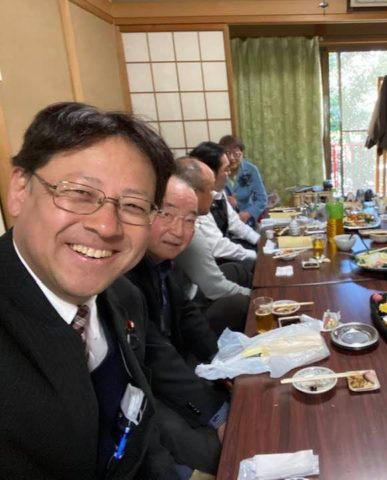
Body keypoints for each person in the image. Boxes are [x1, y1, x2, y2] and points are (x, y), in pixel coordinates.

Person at [0, 102, 179, 478]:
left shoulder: (125, 297)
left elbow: (138, 431)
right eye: (80, 193)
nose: (106, 226)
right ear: (19, 188)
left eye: (133, 205)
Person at [127, 176, 229, 476]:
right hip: (139, 387)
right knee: (217, 449)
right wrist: (217, 415)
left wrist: (224, 362)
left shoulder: (162, 262)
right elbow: (156, 358)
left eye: (189, 220)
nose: (179, 230)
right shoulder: (125, 272)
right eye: (166, 214)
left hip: (168, 367)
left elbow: (187, 315)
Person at [175, 158, 250, 335]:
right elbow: (214, 287)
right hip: (187, 309)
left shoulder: (195, 218)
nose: (215, 195)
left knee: (235, 270)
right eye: (210, 190)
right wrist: (255, 297)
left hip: (194, 290)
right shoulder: (188, 231)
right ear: (191, 193)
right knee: (242, 304)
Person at [189, 141, 259, 266]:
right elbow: (218, 246)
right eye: (226, 170)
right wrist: (254, 255)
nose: (229, 174)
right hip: (211, 261)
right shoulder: (198, 200)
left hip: (222, 251)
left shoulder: (219, 193)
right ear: (209, 172)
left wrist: (259, 240)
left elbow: (235, 224)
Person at [218, 135, 267, 226]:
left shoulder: (251, 169)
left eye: (237, 154)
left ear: (242, 153)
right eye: (228, 153)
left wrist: (248, 213)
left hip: (246, 220)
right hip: (224, 221)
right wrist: (225, 202)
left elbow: (262, 199)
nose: (232, 158)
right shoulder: (217, 171)